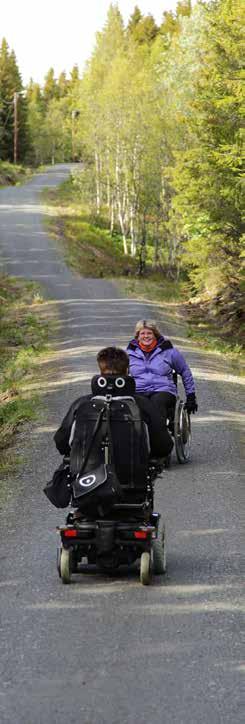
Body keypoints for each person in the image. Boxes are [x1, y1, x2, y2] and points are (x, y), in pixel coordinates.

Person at [54, 346, 173, 473]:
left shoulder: (81, 404)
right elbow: (164, 445)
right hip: (134, 479)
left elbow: (61, 441)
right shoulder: (143, 404)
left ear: (101, 370)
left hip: (87, 480)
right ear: (127, 370)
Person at [127, 320, 198, 426]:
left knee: (157, 402)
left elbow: (184, 371)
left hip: (163, 390)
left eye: (149, 333)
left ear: (155, 334)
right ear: (137, 336)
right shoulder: (129, 354)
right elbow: (120, 374)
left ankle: (159, 438)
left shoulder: (169, 352)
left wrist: (191, 395)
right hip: (138, 390)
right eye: (142, 333)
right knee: (134, 404)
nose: (146, 336)